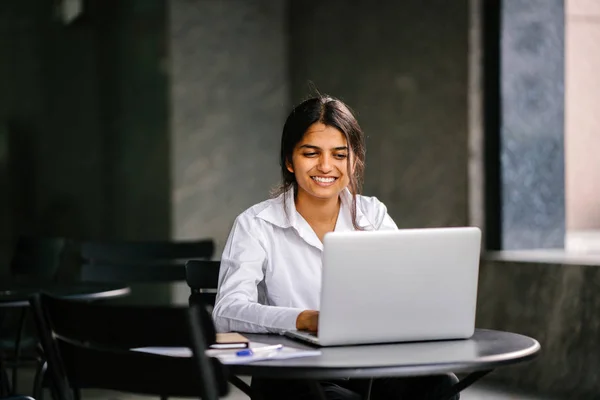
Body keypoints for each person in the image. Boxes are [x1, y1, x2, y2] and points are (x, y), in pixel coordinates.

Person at [212, 95, 459, 399]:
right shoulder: (256, 224)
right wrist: (303, 319)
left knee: (440, 384)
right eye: (311, 153)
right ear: (290, 160)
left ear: (354, 161)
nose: (326, 166)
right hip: (294, 373)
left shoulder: (373, 215)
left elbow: (403, 292)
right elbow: (226, 312)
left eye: (339, 155)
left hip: (370, 367)